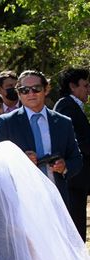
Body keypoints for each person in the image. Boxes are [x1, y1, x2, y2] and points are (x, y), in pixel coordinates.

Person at [0, 70, 82, 206]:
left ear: (46, 89)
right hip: (22, 202)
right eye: (25, 90)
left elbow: (76, 159)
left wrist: (65, 167)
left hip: (57, 199)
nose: (31, 93)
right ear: (19, 93)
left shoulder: (63, 122)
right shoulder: (7, 122)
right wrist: (19, 161)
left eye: (36, 88)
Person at [54, 67, 90, 240]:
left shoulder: (74, 106)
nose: (88, 90)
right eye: (85, 85)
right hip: (72, 178)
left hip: (78, 178)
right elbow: (75, 140)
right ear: (73, 86)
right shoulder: (66, 105)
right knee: (75, 227)